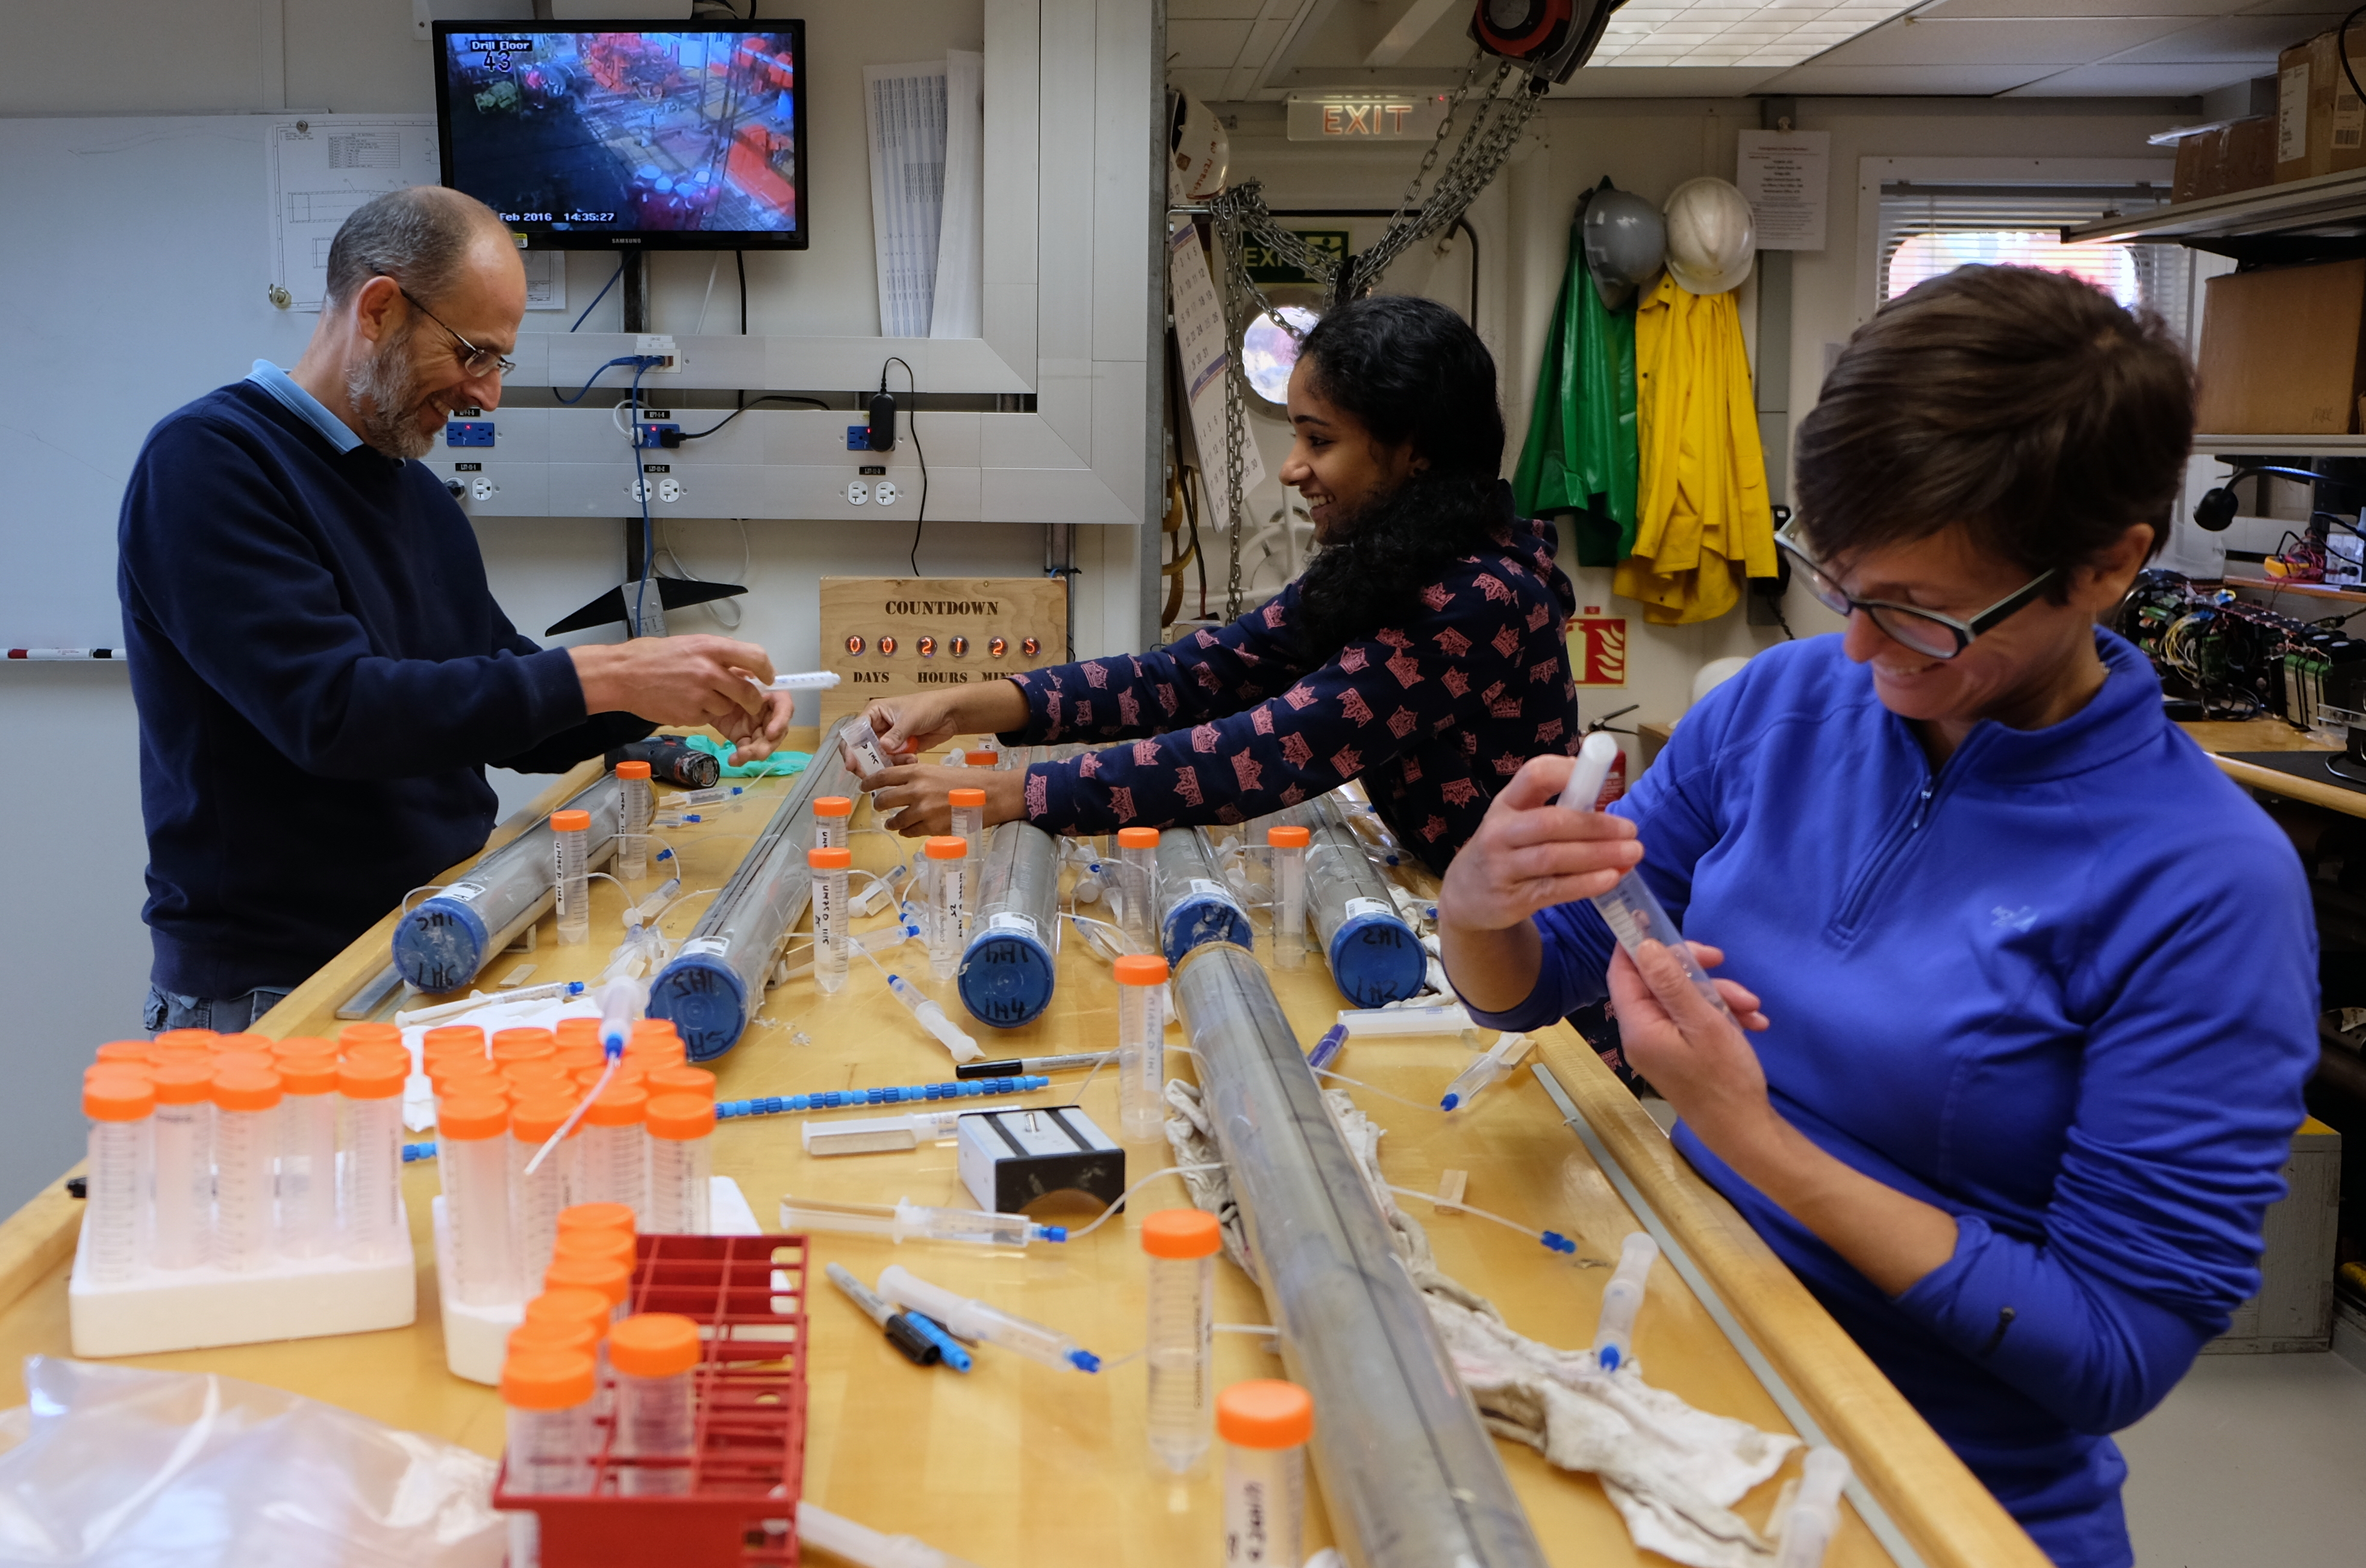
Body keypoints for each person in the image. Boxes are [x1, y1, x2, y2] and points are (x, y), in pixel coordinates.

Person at [1434, 266, 2316, 1568]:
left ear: (2108, 566)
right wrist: (1477, 896)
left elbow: (2112, 1351)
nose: (1855, 649)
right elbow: (1539, 977)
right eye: (1839, 581)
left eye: (1917, 610)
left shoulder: (2199, 883)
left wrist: (1745, 1126)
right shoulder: (1776, 708)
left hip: (1937, 1484)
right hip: (1696, 1366)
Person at [118, 187, 792, 1033]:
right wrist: (612, 671)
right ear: (379, 308)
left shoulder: (416, 496)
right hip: (278, 991)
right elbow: (334, 712)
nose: (487, 395)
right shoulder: (210, 465)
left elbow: (504, 698)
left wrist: (679, 701)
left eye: (497, 363)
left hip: (433, 942)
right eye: (475, 354)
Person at [854, 293, 1581, 872]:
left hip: (1540, 955)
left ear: (1413, 450)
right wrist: (967, 705)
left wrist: (1011, 791)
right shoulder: (1396, 564)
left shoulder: (1481, 600)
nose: (1292, 466)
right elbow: (1191, 674)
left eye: (1318, 440)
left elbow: (1266, 750)